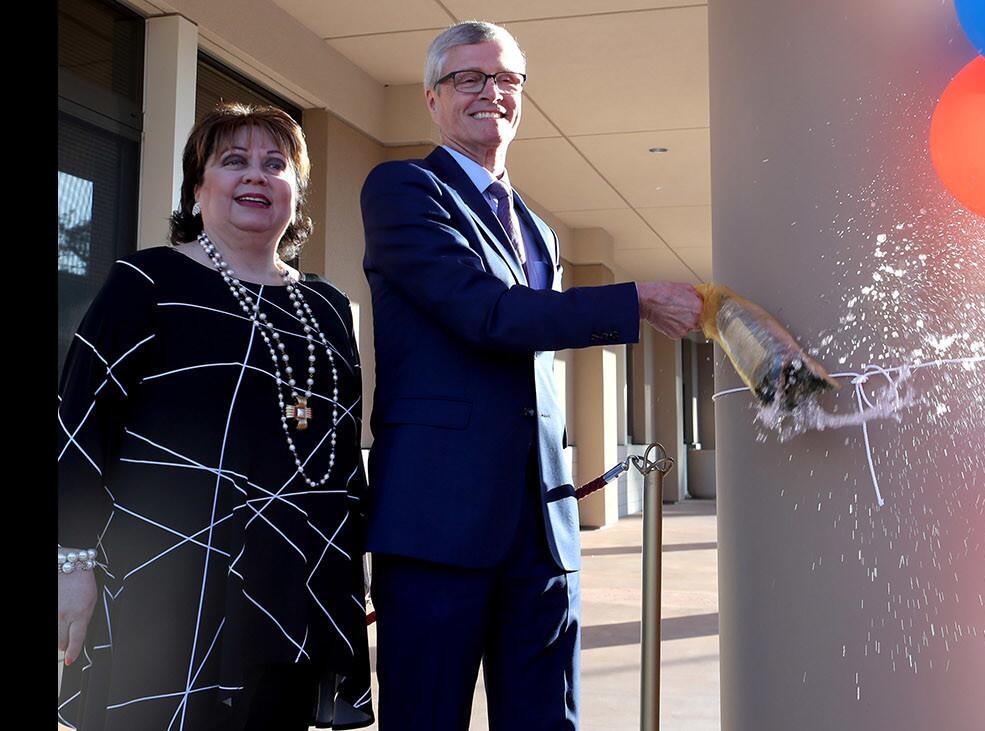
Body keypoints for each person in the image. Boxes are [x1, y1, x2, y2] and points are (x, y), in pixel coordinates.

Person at [359, 20, 703, 730]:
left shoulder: (538, 229)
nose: (493, 93)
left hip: (542, 533)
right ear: (432, 98)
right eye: (470, 78)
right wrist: (632, 301)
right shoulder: (402, 189)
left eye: (508, 80)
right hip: (437, 530)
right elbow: (487, 314)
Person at [57, 103, 374, 731]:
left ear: (295, 192)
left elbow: (341, 463)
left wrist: (349, 578)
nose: (257, 176)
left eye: (275, 164)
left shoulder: (330, 307)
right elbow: (79, 429)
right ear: (198, 190)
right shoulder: (146, 282)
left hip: (290, 589)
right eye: (234, 162)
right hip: (165, 582)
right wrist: (71, 565)